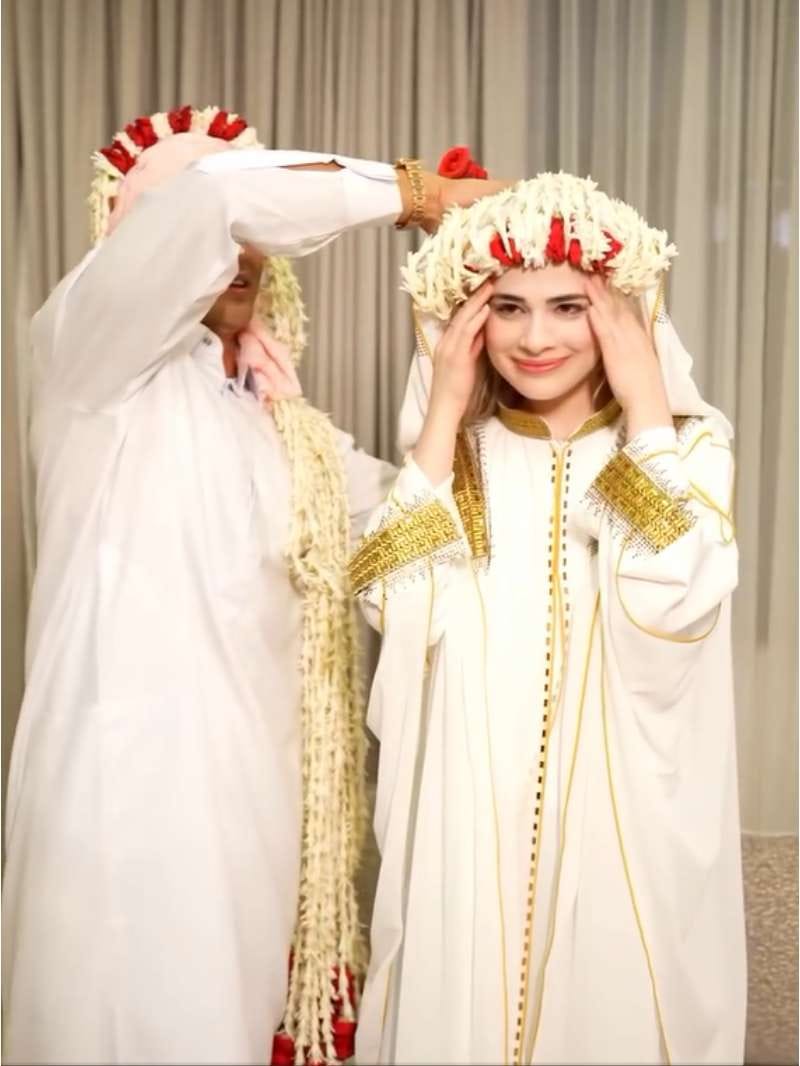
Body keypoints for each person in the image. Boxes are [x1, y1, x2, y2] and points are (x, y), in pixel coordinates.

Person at [1, 106, 507, 1066]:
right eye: (204, 237)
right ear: (135, 242)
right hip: (128, 807)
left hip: (261, 818)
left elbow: (408, 532)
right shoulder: (90, 356)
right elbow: (214, 196)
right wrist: (424, 196)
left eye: (252, 242)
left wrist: (458, 389)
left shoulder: (284, 430)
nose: (237, 255)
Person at [351, 169, 746, 1065]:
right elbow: (392, 607)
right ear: (468, 321)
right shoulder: (457, 460)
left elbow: (671, 593)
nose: (536, 339)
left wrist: (646, 404)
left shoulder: (686, 449)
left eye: (570, 307)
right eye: (508, 308)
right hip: (472, 817)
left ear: (625, 314)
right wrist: (441, 413)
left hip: (622, 821)